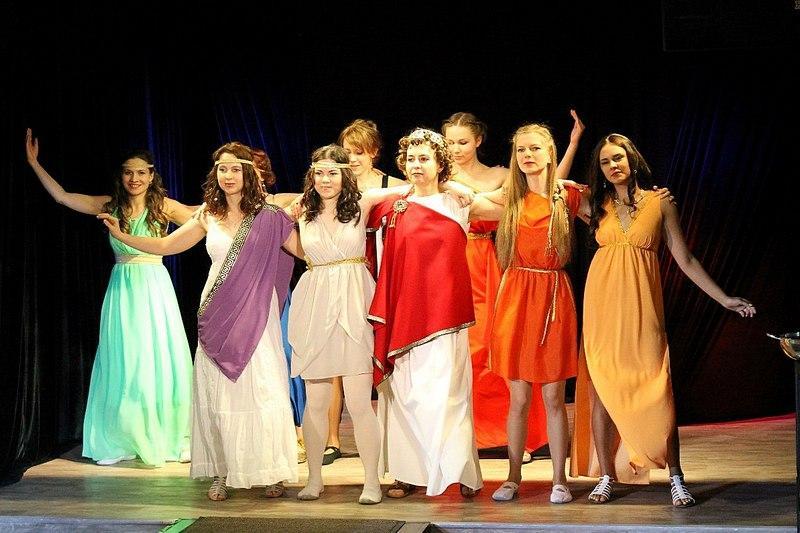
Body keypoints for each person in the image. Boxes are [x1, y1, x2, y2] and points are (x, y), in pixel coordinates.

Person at [99, 142, 301, 501]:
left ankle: (272, 470)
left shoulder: (269, 216)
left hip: (257, 313)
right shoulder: (209, 214)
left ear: (249, 172)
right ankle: (222, 471)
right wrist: (121, 235)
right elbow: (168, 246)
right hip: (216, 311)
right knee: (218, 392)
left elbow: (304, 251)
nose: (228, 175)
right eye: (222, 169)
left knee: (262, 387)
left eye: (235, 169)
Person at [570, 133, 756, 507]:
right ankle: (606, 476)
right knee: (602, 389)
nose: (613, 165)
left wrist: (724, 298)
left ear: (633, 159)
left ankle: (675, 476)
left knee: (658, 389)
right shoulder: (594, 204)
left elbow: (685, 259)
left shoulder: (660, 203)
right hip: (602, 308)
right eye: (605, 161)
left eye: (618, 157)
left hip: (642, 308)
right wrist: (574, 144)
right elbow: (549, 185)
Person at [24, 128, 194, 467]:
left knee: (157, 358)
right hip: (122, 289)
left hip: (154, 288)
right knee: (125, 359)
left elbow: (207, 220)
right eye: (128, 172)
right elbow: (63, 197)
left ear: (151, 175)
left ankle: (169, 434)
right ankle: (123, 435)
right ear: (122, 175)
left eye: (141, 172)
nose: (134, 178)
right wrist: (34, 163)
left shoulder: (165, 207)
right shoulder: (110, 205)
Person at [367, 128, 503, 498]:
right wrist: (405, 190)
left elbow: (511, 205)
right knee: (406, 394)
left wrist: (461, 189)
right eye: (411, 159)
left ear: (440, 163)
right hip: (405, 315)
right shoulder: (393, 205)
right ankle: (408, 473)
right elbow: (359, 198)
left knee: (448, 396)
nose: (417, 165)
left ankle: (460, 471)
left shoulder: (457, 203)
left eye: (424, 158)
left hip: (446, 318)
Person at [442, 111, 584, 462]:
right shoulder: (504, 194)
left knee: (501, 355)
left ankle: (522, 444)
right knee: (466, 354)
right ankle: (469, 437)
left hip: (497, 268)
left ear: (478, 141)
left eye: (463, 141)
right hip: (458, 263)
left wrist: (573, 146)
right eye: (450, 142)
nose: (456, 148)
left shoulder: (512, 182)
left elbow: (551, 192)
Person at [289, 144, 412, 504]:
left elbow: (415, 187)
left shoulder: (363, 202)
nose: (325, 180)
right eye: (319, 173)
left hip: (354, 303)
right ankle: (314, 479)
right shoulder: (301, 210)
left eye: (332, 172)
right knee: (316, 401)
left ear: (345, 175)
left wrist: (456, 189)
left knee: (359, 401)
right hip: (315, 303)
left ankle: (371, 481)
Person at [486, 123, 584, 504]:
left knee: (554, 398)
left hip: (553, 297)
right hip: (516, 297)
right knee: (519, 399)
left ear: (549, 153)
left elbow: (608, 211)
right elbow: (467, 199)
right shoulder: (510, 197)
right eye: (521, 150)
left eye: (535, 149)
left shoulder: (567, 195)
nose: (527, 155)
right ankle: (513, 477)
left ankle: (559, 479)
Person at [312, 119, 406, 467]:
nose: (352, 159)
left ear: (374, 153)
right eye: (347, 152)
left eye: (359, 152)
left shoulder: (388, 185)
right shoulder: (331, 186)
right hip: (343, 269)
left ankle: (391, 437)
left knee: (378, 354)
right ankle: (332, 439)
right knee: (336, 359)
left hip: (378, 269)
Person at [251, 148, 307, 464]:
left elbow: (317, 196)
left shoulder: (279, 201)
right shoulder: (227, 210)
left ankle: (297, 432)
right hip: (245, 296)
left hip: (278, 292)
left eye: (255, 170)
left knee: (286, 355)